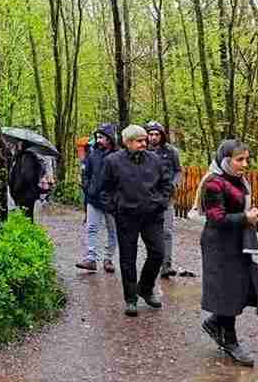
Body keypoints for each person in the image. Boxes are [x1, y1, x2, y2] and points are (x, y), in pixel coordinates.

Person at [197, 139, 258, 367]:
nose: (245, 164)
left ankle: (215, 322)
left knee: (239, 287)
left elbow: (238, 207)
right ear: (226, 161)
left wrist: (248, 214)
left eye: (247, 159)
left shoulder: (237, 180)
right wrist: (245, 218)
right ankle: (230, 341)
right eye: (240, 160)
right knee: (227, 291)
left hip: (237, 240)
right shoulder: (213, 184)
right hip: (219, 244)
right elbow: (216, 218)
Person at [102, 124, 173, 317]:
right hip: (126, 216)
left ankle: (146, 287)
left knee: (158, 253)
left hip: (152, 216)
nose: (145, 143)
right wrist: (114, 208)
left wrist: (160, 202)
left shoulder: (155, 160)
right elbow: (105, 189)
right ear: (127, 142)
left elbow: (166, 183)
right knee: (127, 259)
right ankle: (131, 298)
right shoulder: (112, 161)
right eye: (139, 140)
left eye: (145, 140)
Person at [76, 123, 118, 273]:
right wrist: (88, 188)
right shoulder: (93, 154)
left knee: (112, 230)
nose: (98, 140)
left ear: (110, 139)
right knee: (91, 228)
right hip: (93, 198)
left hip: (111, 201)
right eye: (97, 137)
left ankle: (108, 259)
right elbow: (86, 174)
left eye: (102, 137)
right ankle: (91, 259)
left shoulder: (117, 156)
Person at [146, 121, 182, 278]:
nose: (153, 137)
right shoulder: (143, 151)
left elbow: (178, 171)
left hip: (166, 197)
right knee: (151, 232)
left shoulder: (171, 152)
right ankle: (153, 263)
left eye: (157, 134)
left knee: (166, 231)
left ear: (162, 135)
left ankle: (166, 265)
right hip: (148, 198)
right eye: (151, 134)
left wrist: (174, 184)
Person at [9, 142, 43, 221]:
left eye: (20, 144)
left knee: (26, 215)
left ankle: (29, 231)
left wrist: (17, 189)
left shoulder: (27, 157)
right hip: (24, 192)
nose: (18, 146)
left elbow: (27, 176)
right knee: (26, 214)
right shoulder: (20, 156)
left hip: (25, 192)